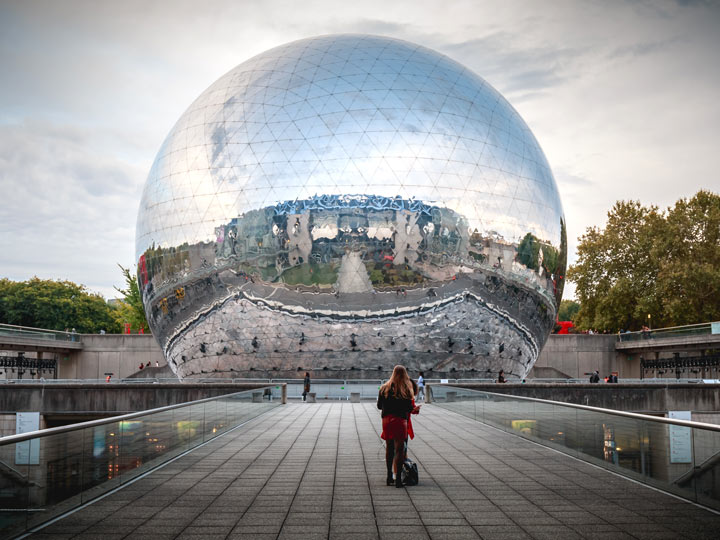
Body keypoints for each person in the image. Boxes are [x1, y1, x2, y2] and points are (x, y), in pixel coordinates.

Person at [377, 365, 420, 488]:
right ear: (405, 375)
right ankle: (399, 480)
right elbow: (408, 408)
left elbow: (379, 406)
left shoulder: (384, 388)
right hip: (400, 421)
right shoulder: (405, 389)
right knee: (399, 450)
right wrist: (415, 409)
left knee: (389, 448)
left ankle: (389, 476)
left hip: (386, 421)